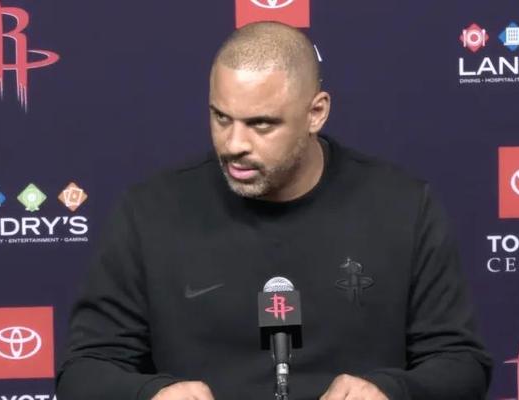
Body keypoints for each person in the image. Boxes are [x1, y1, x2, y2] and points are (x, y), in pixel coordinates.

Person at [56, 22, 492, 400]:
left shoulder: (403, 207)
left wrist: (392, 391)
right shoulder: (149, 212)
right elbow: (83, 371)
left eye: (261, 124)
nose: (234, 144)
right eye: (221, 118)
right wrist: (150, 393)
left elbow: (462, 365)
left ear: (316, 113)